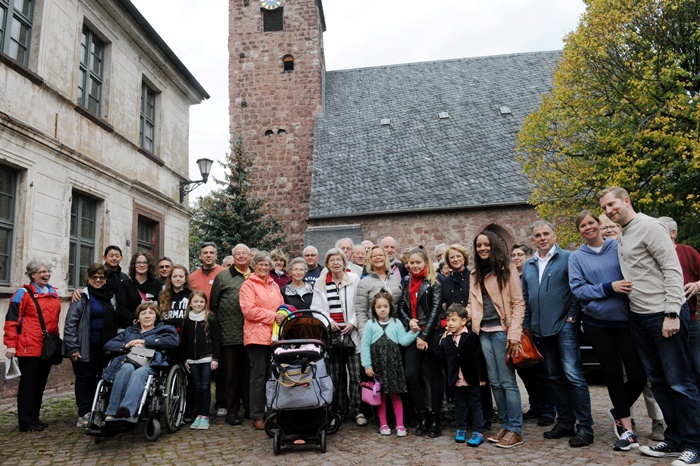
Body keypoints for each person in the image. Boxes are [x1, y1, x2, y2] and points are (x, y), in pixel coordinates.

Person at [599, 187, 700, 465]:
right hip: (639, 317)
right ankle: (675, 439)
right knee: (659, 383)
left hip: (663, 313)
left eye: (612, 204)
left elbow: (671, 268)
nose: (608, 211)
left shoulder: (650, 226)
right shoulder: (625, 234)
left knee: (680, 381)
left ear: (626, 200)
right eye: (604, 208)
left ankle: (695, 444)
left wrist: (671, 313)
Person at [568, 209, 646, 451]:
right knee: (612, 375)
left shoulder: (617, 247)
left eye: (592, 223)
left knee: (638, 375)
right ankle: (627, 430)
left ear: (600, 224)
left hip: (625, 320)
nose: (589, 228)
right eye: (583, 225)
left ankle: (617, 409)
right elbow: (578, 290)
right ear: (579, 230)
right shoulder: (576, 257)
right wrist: (609, 287)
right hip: (597, 324)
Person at [522, 220, 594, 448]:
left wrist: (572, 318)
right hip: (541, 329)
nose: (542, 238)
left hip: (564, 325)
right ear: (532, 239)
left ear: (554, 235)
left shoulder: (568, 258)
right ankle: (564, 421)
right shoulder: (529, 265)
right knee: (554, 377)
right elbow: (526, 297)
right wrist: (528, 325)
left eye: (546, 233)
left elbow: (576, 289)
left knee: (573, 375)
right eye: (538, 235)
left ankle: (585, 427)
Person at [602, 213, 666, 441]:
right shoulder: (604, 253)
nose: (608, 230)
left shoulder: (631, 246)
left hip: (642, 316)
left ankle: (659, 420)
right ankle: (625, 417)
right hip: (618, 322)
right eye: (604, 227)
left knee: (647, 374)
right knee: (624, 375)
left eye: (612, 226)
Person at [467, 230, 525, 448]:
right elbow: (473, 304)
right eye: (479, 245)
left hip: (503, 331)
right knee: (495, 382)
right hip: (484, 332)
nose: (482, 248)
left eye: (486, 245)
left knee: (508, 381)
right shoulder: (475, 275)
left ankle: (515, 430)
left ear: (494, 246)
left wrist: (514, 333)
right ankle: (505, 425)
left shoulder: (506, 269)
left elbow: (518, 303)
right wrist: (464, 319)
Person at [3, 259, 61, 432]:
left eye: (48, 271)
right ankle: (26, 421)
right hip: (28, 346)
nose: (47, 274)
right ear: (32, 274)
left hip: (46, 346)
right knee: (29, 384)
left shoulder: (53, 293)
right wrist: (10, 345)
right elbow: (12, 321)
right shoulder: (22, 294)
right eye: (42, 272)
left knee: (40, 383)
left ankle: (34, 417)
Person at [311, 248, 363, 425]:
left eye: (338, 259)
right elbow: (316, 309)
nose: (335, 263)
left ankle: (357, 409)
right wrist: (328, 322)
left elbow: (360, 304)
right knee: (336, 375)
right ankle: (338, 410)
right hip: (333, 335)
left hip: (351, 333)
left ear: (344, 262)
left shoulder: (354, 280)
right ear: (327, 264)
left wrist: (353, 323)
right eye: (332, 260)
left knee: (356, 375)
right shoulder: (321, 284)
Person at [102, 302, 178, 421]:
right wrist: (126, 345)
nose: (147, 316)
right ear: (138, 318)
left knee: (140, 373)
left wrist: (145, 342)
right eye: (143, 313)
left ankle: (127, 411)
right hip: (130, 360)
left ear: (156, 317)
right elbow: (109, 345)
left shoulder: (164, 329)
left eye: (151, 313)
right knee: (125, 369)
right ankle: (111, 413)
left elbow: (172, 342)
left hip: (151, 363)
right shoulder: (129, 331)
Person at [63, 263, 118, 428]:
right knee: (84, 379)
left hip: (103, 347)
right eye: (95, 277)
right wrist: (73, 347)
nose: (98, 280)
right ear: (89, 278)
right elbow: (70, 323)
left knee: (98, 378)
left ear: (106, 279)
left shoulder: (110, 296)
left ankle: (95, 410)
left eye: (101, 277)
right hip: (84, 347)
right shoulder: (82, 296)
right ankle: (83, 413)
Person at [398, 247, 444, 438]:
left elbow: (434, 310)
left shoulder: (434, 281)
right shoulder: (407, 281)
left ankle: (435, 418)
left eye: (418, 262)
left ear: (425, 263)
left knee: (434, 377)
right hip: (414, 331)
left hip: (431, 334)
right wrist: (409, 320)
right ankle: (422, 416)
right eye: (411, 263)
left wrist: (424, 337)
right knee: (411, 376)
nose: (414, 266)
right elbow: (400, 307)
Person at [361, 289, 419, 437]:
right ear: (374, 308)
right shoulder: (370, 324)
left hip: (393, 365)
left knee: (395, 395)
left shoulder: (396, 323)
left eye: (385, 306)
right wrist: (367, 365)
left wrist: (415, 332)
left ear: (390, 307)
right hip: (378, 366)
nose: (382, 309)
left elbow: (403, 341)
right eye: (379, 307)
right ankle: (383, 424)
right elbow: (365, 345)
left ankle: (400, 424)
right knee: (381, 396)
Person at [510, 243, 556, 427]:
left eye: (520, 254)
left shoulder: (533, 274)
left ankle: (548, 409)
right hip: (517, 330)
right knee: (524, 370)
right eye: (513, 255)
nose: (516, 258)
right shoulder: (511, 277)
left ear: (528, 256)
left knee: (540, 372)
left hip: (534, 328)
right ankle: (535, 406)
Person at [239, 251, 285, 430]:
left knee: (273, 377)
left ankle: (272, 413)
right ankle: (257, 414)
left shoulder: (274, 285)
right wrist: (274, 316)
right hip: (256, 337)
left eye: (267, 264)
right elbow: (249, 310)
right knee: (258, 377)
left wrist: (281, 315)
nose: (264, 267)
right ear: (254, 265)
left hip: (274, 337)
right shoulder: (248, 285)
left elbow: (281, 306)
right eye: (261, 264)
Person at [433, 304, 487, 447]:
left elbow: (479, 358)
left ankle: (478, 431)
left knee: (475, 404)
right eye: (448, 320)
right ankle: (461, 428)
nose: (450, 323)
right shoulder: (445, 340)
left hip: (472, 378)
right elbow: (441, 358)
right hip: (455, 379)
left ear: (463, 321)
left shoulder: (471, 337)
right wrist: (433, 347)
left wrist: (482, 377)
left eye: (454, 320)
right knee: (460, 405)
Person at [210, 243, 252, 424]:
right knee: (231, 375)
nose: (241, 256)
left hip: (252, 334)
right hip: (229, 334)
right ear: (233, 257)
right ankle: (232, 411)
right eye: (238, 254)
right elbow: (214, 304)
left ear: (250, 256)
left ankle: (250, 409)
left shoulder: (256, 275)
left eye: (244, 253)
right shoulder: (223, 277)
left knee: (250, 374)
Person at [658, 216, 700, 387]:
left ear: (673, 233)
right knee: (672, 372)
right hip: (661, 321)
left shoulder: (687, 252)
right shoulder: (651, 254)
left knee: (697, 367)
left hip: (690, 320)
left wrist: (698, 285)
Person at [179, 290, 221, 430]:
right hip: (192, 360)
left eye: (201, 301)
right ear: (190, 303)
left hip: (207, 358)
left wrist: (215, 358)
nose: (198, 304)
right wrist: (184, 358)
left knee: (205, 387)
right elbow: (184, 341)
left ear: (205, 303)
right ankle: (198, 414)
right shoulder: (186, 319)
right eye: (195, 301)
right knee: (196, 387)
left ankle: (205, 415)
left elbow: (216, 339)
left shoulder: (210, 317)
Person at [355, 245, 403, 337]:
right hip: (375, 331)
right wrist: (364, 334)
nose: (378, 258)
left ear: (385, 258)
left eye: (381, 255)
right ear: (370, 260)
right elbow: (361, 311)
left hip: (396, 329)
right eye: (374, 256)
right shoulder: (364, 283)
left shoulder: (395, 279)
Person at [116, 252, 162, 330]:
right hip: (130, 327)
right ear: (134, 265)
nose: (141, 265)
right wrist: (139, 320)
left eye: (145, 262)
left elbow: (160, 306)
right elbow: (122, 309)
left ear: (149, 265)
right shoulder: (125, 284)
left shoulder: (156, 283)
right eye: (138, 262)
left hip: (152, 328)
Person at [159, 265, 191, 331]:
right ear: (170, 278)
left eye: (181, 276)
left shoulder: (191, 295)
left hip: (187, 333)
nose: (178, 279)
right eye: (174, 276)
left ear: (185, 279)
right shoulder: (163, 296)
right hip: (168, 334)